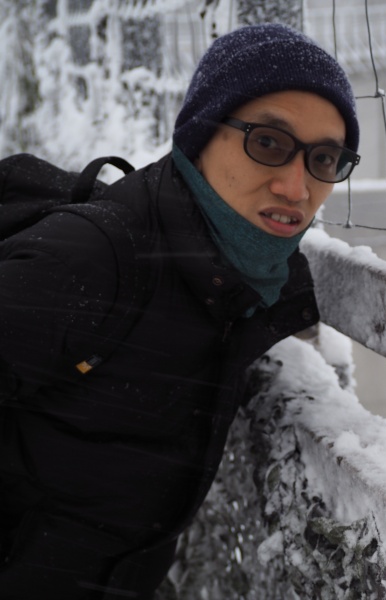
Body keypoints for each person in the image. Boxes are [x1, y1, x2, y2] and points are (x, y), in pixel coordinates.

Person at [0, 23, 359, 599]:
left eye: (325, 159)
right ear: (199, 134)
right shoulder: (89, 264)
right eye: (268, 142)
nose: (297, 186)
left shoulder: (248, 278)